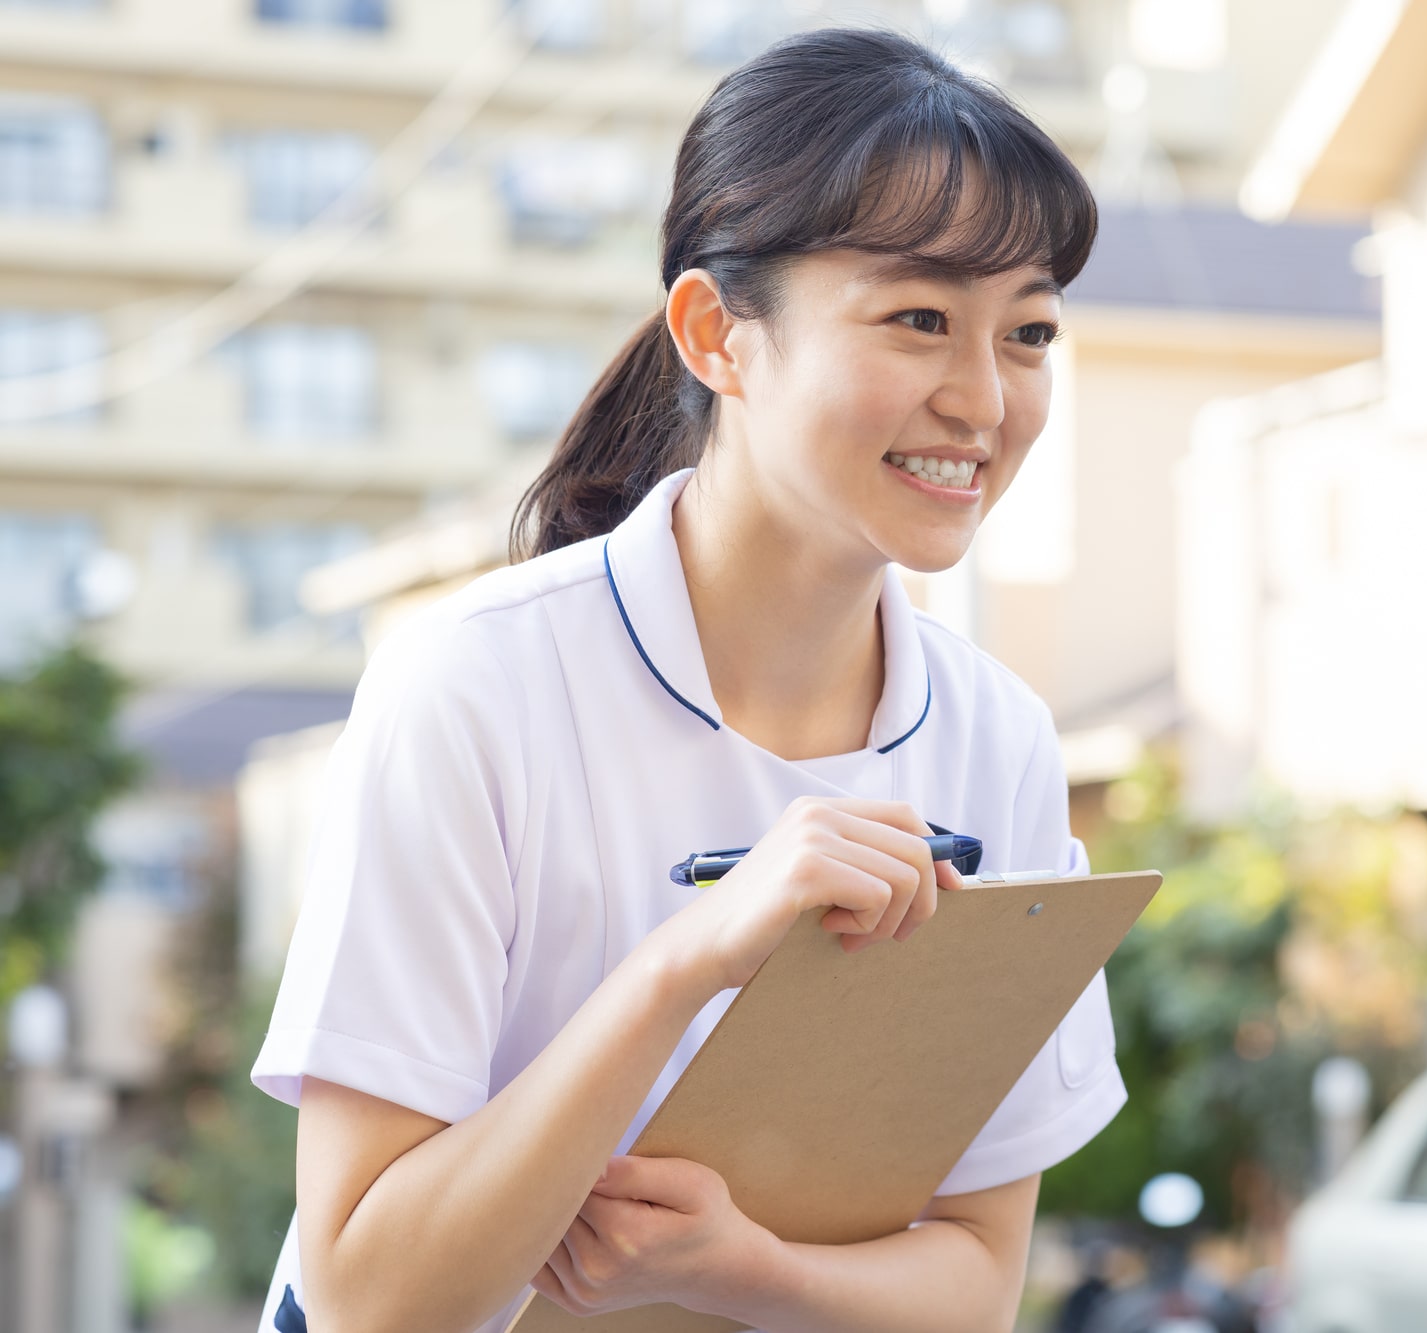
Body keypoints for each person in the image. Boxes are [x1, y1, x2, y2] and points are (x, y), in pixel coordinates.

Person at [248, 26, 1123, 1333]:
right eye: (921, 320)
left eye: (1031, 332)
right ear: (719, 334)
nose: (984, 398)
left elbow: (980, 1280)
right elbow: (370, 1293)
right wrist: (688, 963)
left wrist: (727, 1267)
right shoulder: (474, 686)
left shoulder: (997, 737)